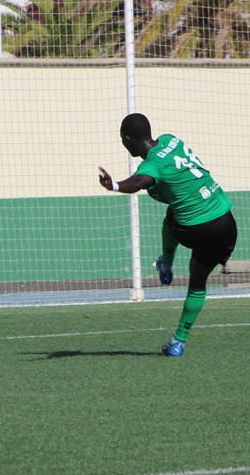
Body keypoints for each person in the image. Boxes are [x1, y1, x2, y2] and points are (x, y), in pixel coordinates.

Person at [97, 113, 237, 358]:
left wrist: (114, 185)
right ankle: (178, 341)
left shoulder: (151, 164)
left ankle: (167, 265)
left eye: (122, 138)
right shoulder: (172, 140)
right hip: (226, 221)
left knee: (172, 216)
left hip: (196, 227)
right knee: (197, 285)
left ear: (128, 139)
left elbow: (140, 181)